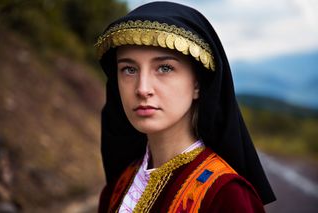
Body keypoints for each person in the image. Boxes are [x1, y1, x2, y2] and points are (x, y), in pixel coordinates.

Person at [96, 1, 276, 212]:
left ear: (197, 84)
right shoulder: (119, 186)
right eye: (129, 69)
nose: (142, 89)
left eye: (164, 68)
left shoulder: (226, 196)